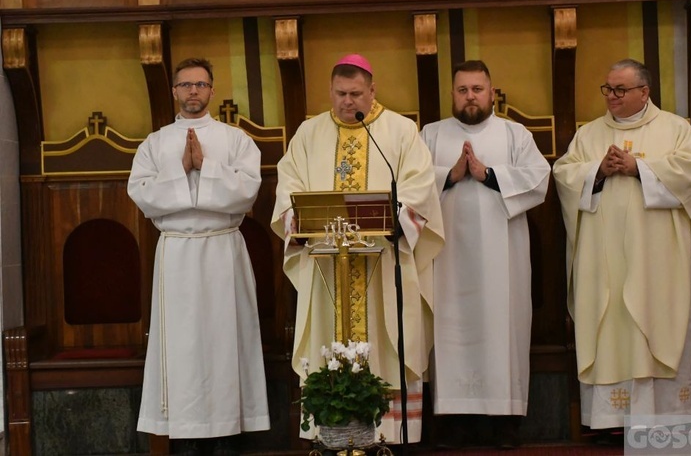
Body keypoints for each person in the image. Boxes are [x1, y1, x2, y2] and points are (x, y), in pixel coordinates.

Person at [271, 53, 444, 443]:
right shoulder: (309, 133)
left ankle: (389, 433)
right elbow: (289, 185)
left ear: (372, 90)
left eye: (356, 94)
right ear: (329, 92)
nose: (348, 102)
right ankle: (333, 435)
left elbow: (419, 187)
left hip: (381, 262)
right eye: (340, 94)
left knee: (388, 339)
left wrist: (395, 219)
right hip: (326, 265)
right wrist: (295, 220)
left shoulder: (399, 131)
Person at [552, 58, 691, 437]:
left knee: (660, 322)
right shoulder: (589, 134)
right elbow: (564, 174)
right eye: (608, 89)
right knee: (612, 324)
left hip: (660, 262)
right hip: (604, 261)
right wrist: (598, 170)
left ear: (645, 91)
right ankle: (614, 421)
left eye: (620, 90)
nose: (611, 96)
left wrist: (637, 167)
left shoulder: (676, 130)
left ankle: (670, 415)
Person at [128, 58, 270, 455]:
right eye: (186, 85)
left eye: (201, 84)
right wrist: (179, 169)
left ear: (212, 90)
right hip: (177, 254)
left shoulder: (236, 139)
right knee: (183, 347)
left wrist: (205, 166)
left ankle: (227, 432)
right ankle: (185, 434)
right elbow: (139, 192)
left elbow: (248, 191)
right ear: (174, 91)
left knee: (226, 340)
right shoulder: (155, 143)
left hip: (223, 250)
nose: (193, 91)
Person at [420, 60, 550, 448]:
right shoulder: (431, 135)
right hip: (446, 259)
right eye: (463, 90)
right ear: (453, 94)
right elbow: (410, 184)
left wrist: (487, 174)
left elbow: (538, 179)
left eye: (478, 89)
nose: (470, 96)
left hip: (503, 257)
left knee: (502, 328)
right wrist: (450, 175)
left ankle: (503, 424)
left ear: (492, 92)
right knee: (449, 330)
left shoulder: (515, 134)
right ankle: (453, 423)